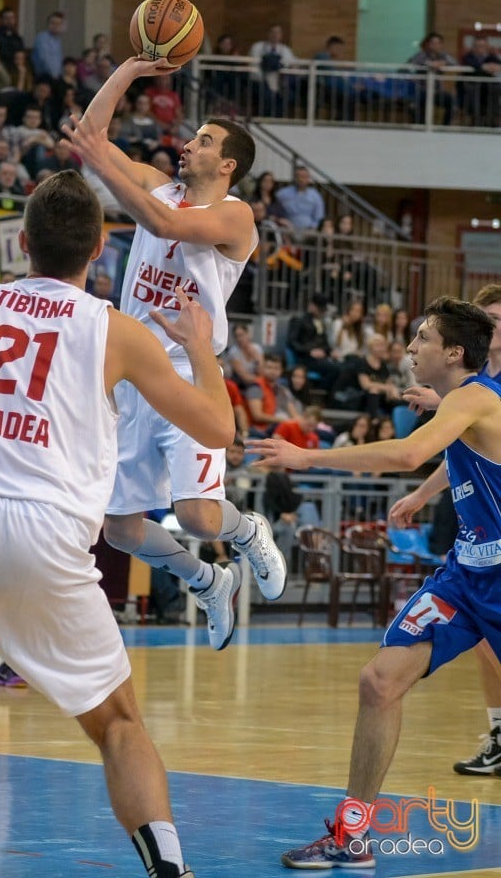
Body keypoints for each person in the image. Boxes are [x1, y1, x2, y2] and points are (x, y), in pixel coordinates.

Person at [0, 169, 238, 878]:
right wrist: (204, 348)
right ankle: (170, 871)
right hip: (42, 533)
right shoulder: (117, 332)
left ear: (23, 244)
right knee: (118, 723)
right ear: (99, 249)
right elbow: (217, 428)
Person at [248, 296, 501, 869]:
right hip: (467, 575)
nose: (411, 349)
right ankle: (352, 835)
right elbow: (447, 443)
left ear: (455, 352)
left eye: (423, 340)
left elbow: (409, 451)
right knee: (379, 682)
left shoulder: (475, 398)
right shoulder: (464, 401)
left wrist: (307, 458)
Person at [63, 54, 287, 652]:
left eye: (205, 140)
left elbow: (163, 226)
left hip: (190, 372)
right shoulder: (158, 187)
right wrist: (131, 71)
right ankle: (207, 580)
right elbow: (92, 139)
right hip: (133, 373)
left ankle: (246, 530)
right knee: (121, 530)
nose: (189, 144)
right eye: (192, 136)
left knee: (198, 518)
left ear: (228, 163)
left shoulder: (235, 215)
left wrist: (114, 175)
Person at [404, 283, 501, 777]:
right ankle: (500, 730)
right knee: (483, 638)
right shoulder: (471, 386)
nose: (493, 324)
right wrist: (423, 493)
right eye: (487, 316)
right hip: (475, 526)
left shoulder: (483, 393)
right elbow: (465, 442)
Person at [276, 165, 325, 234]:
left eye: (304, 177)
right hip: (287, 230)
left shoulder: (315, 195)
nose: (301, 179)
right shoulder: (283, 194)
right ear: (295, 177)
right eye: (299, 176)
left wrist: (314, 228)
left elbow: (319, 216)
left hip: (309, 231)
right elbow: (275, 210)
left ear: (308, 178)